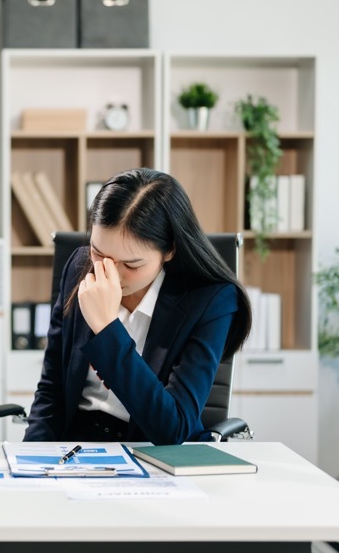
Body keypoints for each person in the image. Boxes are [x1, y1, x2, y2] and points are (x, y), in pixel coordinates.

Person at [23, 167, 251, 445]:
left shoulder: (211, 300)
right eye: (98, 252)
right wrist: (30, 462)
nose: (110, 273)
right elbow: (52, 391)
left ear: (170, 250)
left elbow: (173, 429)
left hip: (153, 453)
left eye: (131, 264)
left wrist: (107, 329)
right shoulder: (79, 268)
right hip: (74, 450)